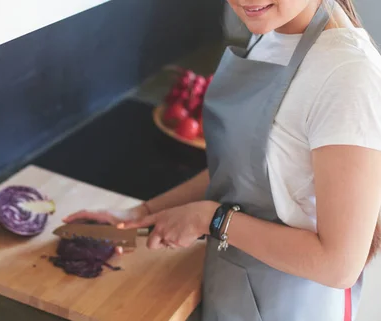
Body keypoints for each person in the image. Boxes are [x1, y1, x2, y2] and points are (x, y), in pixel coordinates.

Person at [64, 0, 381, 320]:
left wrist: (212, 219)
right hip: (236, 288)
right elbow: (244, 168)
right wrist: (139, 214)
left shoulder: (347, 74)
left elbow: (338, 265)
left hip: (289, 305)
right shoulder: (274, 28)